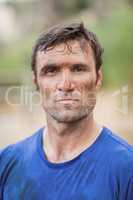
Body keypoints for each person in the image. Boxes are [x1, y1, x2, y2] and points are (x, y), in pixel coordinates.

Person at [0, 22, 133, 200]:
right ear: (36, 81)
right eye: (51, 71)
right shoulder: (7, 162)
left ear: (98, 78)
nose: (65, 85)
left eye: (78, 69)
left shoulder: (126, 168)